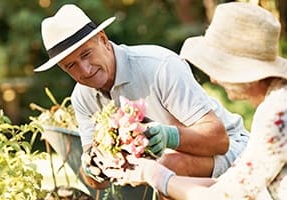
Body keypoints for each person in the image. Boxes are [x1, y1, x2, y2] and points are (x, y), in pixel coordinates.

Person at [34, 3, 249, 194]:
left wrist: (169, 136)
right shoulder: (82, 97)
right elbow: (95, 183)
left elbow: (219, 140)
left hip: (234, 153)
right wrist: (93, 167)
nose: (85, 70)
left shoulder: (159, 66)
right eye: (71, 66)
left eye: (86, 54)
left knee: (164, 167)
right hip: (160, 172)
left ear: (103, 40)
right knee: (157, 170)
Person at [104, 2, 287, 199]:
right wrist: (156, 174)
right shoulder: (275, 103)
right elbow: (230, 184)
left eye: (217, 67)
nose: (214, 79)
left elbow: (224, 197)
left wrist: (156, 175)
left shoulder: (277, 114)